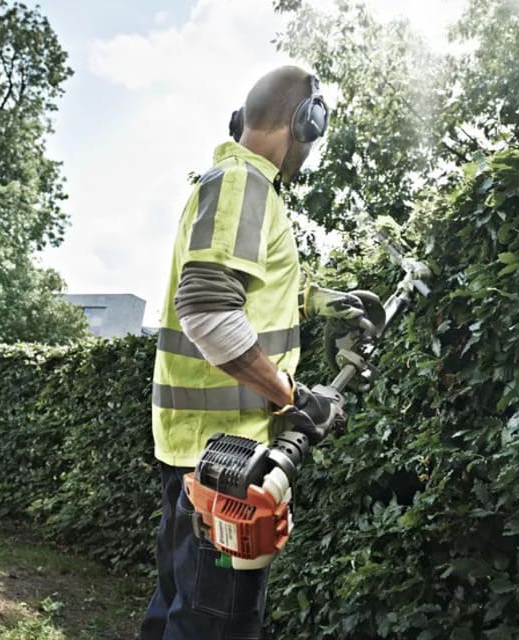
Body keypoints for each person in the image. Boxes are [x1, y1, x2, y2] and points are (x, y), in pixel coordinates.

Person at [139, 65, 372, 640]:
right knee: (215, 627)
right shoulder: (245, 184)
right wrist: (293, 397)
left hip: (201, 454)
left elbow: (249, 291)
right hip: (225, 461)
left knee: (180, 611)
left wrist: (323, 299)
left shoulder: (235, 184)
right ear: (305, 122)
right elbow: (210, 314)